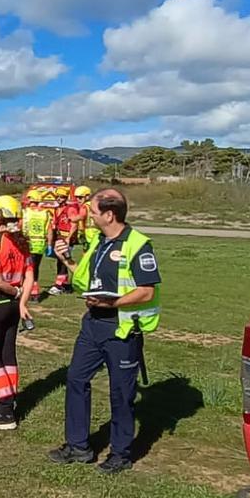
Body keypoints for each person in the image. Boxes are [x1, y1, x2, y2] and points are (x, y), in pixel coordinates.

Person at [48, 188, 162, 474]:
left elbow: (147, 292)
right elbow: (87, 281)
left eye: (93, 212)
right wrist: (67, 260)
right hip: (92, 325)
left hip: (121, 329)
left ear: (109, 215)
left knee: (120, 393)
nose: (88, 216)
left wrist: (113, 303)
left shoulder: (138, 245)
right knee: (75, 378)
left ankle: (121, 453)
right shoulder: (99, 241)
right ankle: (78, 446)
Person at [0, 195, 35, 430]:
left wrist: (13, 291)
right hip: (14, 306)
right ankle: (9, 402)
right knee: (8, 354)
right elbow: (30, 275)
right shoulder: (23, 242)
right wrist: (22, 300)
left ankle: (5, 408)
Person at [48, 187, 86, 295]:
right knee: (60, 260)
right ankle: (64, 283)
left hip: (67, 238)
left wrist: (69, 238)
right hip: (59, 237)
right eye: (58, 197)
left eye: (62, 197)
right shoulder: (57, 209)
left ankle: (60, 285)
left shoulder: (70, 209)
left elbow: (74, 224)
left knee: (64, 260)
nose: (60, 199)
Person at [22, 190, 53, 301]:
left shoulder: (25, 212)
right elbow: (49, 230)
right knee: (35, 268)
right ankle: (35, 292)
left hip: (27, 243)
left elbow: (21, 227)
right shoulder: (45, 214)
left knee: (25, 269)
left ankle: (25, 290)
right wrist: (49, 245)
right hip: (40, 244)